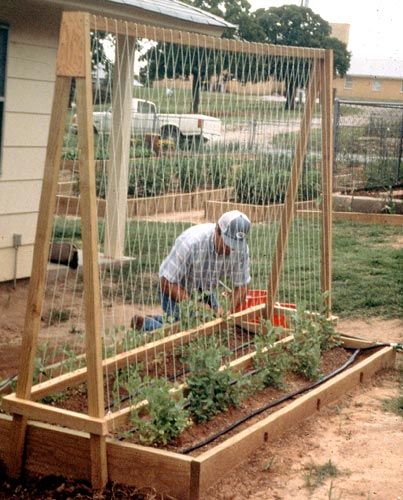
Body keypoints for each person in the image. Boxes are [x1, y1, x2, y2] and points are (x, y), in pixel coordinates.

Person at [132, 210, 251, 331]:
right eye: (227, 243)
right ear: (217, 230)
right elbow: (165, 283)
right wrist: (196, 307)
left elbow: (243, 286)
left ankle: (160, 321)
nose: (230, 249)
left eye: (234, 245)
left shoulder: (241, 249)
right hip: (174, 289)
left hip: (204, 290)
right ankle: (147, 325)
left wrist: (228, 313)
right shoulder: (191, 243)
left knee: (213, 324)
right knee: (187, 330)